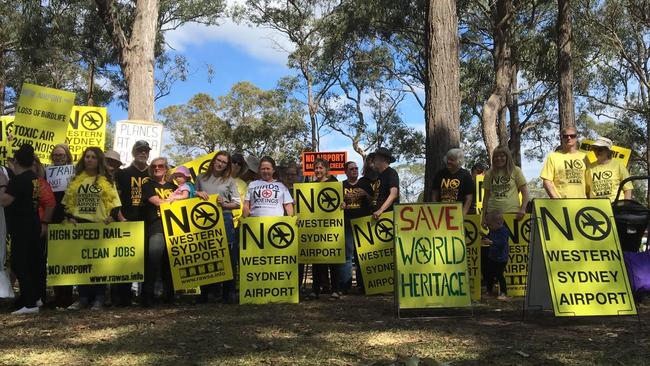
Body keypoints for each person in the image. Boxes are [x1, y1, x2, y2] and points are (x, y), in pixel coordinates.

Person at [63, 147, 121, 310]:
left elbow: (115, 204)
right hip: (80, 224)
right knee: (82, 263)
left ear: (99, 160)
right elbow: (67, 203)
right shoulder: (75, 179)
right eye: (87, 157)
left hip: (99, 225)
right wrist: (70, 217)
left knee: (98, 263)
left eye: (93, 157)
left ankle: (99, 297)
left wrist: (112, 216)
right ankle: (83, 298)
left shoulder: (107, 180)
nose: (89, 159)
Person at [0, 145, 42, 314]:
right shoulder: (34, 178)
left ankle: (30, 304)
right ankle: (34, 298)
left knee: (19, 263)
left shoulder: (18, 180)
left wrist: (2, 184)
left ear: (15, 160)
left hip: (21, 227)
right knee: (31, 263)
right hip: (33, 224)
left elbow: (4, 201)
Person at [195, 151, 241, 303]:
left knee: (227, 257)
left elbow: (237, 203)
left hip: (225, 219)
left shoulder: (230, 181)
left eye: (224, 162)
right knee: (206, 256)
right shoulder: (200, 178)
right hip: (204, 222)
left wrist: (225, 204)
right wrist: (197, 193)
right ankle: (204, 294)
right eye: (219, 160)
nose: (220, 164)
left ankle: (229, 293)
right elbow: (191, 199)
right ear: (213, 160)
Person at [113, 140, 151, 306]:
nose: (143, 153)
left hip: (149, 223)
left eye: (146, 151)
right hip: (127, 221)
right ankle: (123, 297)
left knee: (147, 259)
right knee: (125, 261)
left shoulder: (154, 173)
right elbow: (114, 199)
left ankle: (144, 296)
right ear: (133, 152)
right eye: (140, 150)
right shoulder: (122, 173)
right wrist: (120, 218)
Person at [141, 157, 177, 306]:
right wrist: (176, 200)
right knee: (153, 261)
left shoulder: (174, 187)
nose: (157, 168)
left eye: (160, 166)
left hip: (174, 229)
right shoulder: (148, 185)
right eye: (154, 166)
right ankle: (147, 297)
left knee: (171, 264)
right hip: (156, 228)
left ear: (166, 168)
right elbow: (157, 202)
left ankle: (170, 297)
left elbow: (188, 198)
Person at [48, 144, 75, 308]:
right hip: (52, 218)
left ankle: (68, 295)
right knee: (55, 259)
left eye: (61, 155)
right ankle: (58, 295)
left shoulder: (74, 173)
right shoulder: (47, 172)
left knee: (69, 258)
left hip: (69, 218)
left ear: (68, 157)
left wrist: (72, 216)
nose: (58, 157)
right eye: (55, 155)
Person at [341, 161, 373, 293]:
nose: (354, 170)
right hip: (347, 224)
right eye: (351, 169)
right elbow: (336, 204)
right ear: (346, 172)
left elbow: (373, 202)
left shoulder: (365, 184)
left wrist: (365, 194)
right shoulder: (341, 185)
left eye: (356, 168)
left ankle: (363, 285)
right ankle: (346, 285)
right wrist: (343, 201)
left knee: (362, 256)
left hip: (363, 224)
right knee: (347, 257)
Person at [482, 146, 529, 223]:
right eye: (496, 156)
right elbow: (486, 197)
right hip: (492, 214)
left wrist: (523, 209)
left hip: (512, 213)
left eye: (502, 156)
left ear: (507, 157)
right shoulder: (489, 173)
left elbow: (525, 192)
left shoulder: (515, 170)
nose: (499, 158)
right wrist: (483, 217)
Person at [32, 157, 56, 305]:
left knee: (39, 263)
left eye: (35, 165)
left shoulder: (40, 183)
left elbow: (50, 204)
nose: (32, 167)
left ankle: (39, 296)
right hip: (23, 228)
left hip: (39, 226)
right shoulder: (18, 181)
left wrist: (45, 224)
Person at [540, 126, 587, 198]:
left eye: (572, 136)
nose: (569, 138)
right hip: (561, 204)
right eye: (565, 136)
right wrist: (557, 201)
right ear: (561, 138)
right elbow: (547, 182)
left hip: (583, 203)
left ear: (576, 138)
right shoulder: (553, 157)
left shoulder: (584, 157)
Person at [586, 137, 633, 201]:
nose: (597, 151)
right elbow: (587, 191)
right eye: (595, 149)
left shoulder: (619, 165)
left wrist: (626, 207)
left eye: (600, 149)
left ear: (608, 151)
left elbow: (628, 189)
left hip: (616, 207)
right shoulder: (589, 168)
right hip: (596, 208)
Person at [432, 148, 473, 215]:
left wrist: (463, 213)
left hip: (458, 212)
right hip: (441, 212)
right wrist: (436, 210)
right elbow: (434, 194)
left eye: (452, 160)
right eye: (448, 159)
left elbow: (469, 198)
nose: (448, 162)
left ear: (459, 161)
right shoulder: (440, 174)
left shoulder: (466, 175)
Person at [481, 211, 509, 300]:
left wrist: (491, 242)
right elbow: (489, 236)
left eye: (490, 225)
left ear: (498, 223)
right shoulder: (493, 230)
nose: (488, 227)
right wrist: (484, 236)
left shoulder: (504, 231)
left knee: (500, 275)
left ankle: (503, 292)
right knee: (489, 275)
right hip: (492, 256)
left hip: (501, 258)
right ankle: (489, 291)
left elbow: (501, 243)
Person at [372, 148, 400, 219]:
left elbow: (393, 194)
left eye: (375, 159)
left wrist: (381, 210)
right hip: (379, 217)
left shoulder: (391, 173)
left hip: (389, 215)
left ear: (383, 159)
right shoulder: (378, 176)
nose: (373, 162)